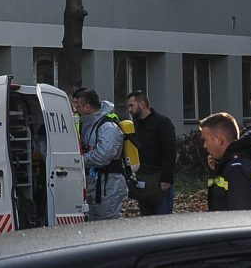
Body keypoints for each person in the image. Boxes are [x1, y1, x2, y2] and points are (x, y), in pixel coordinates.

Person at [199, 111, 251, 211]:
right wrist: (218, 169)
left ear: (219, 140)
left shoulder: (237, 170)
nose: (205, 145)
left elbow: (240, 215)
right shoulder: (250, 158)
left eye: (205, 140)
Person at [74, 87, 128, 221]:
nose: (76, 110)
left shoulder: (107, 127)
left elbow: (102, 156)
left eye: (79, 106)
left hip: (109, 183)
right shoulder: (92, 125)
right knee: (96, 218)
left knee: (108, 220)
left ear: (87, 107)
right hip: (99, 181)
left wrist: (79, 160)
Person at [123, 90, 177, 215]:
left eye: (132, 105)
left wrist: (166, 178)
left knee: (161, 220)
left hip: (159, 179)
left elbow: (170, 151)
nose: (129, 110)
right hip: (142, 178)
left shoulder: (162, 123)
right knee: (146, 219)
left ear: (142, 104)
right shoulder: (135, 125)